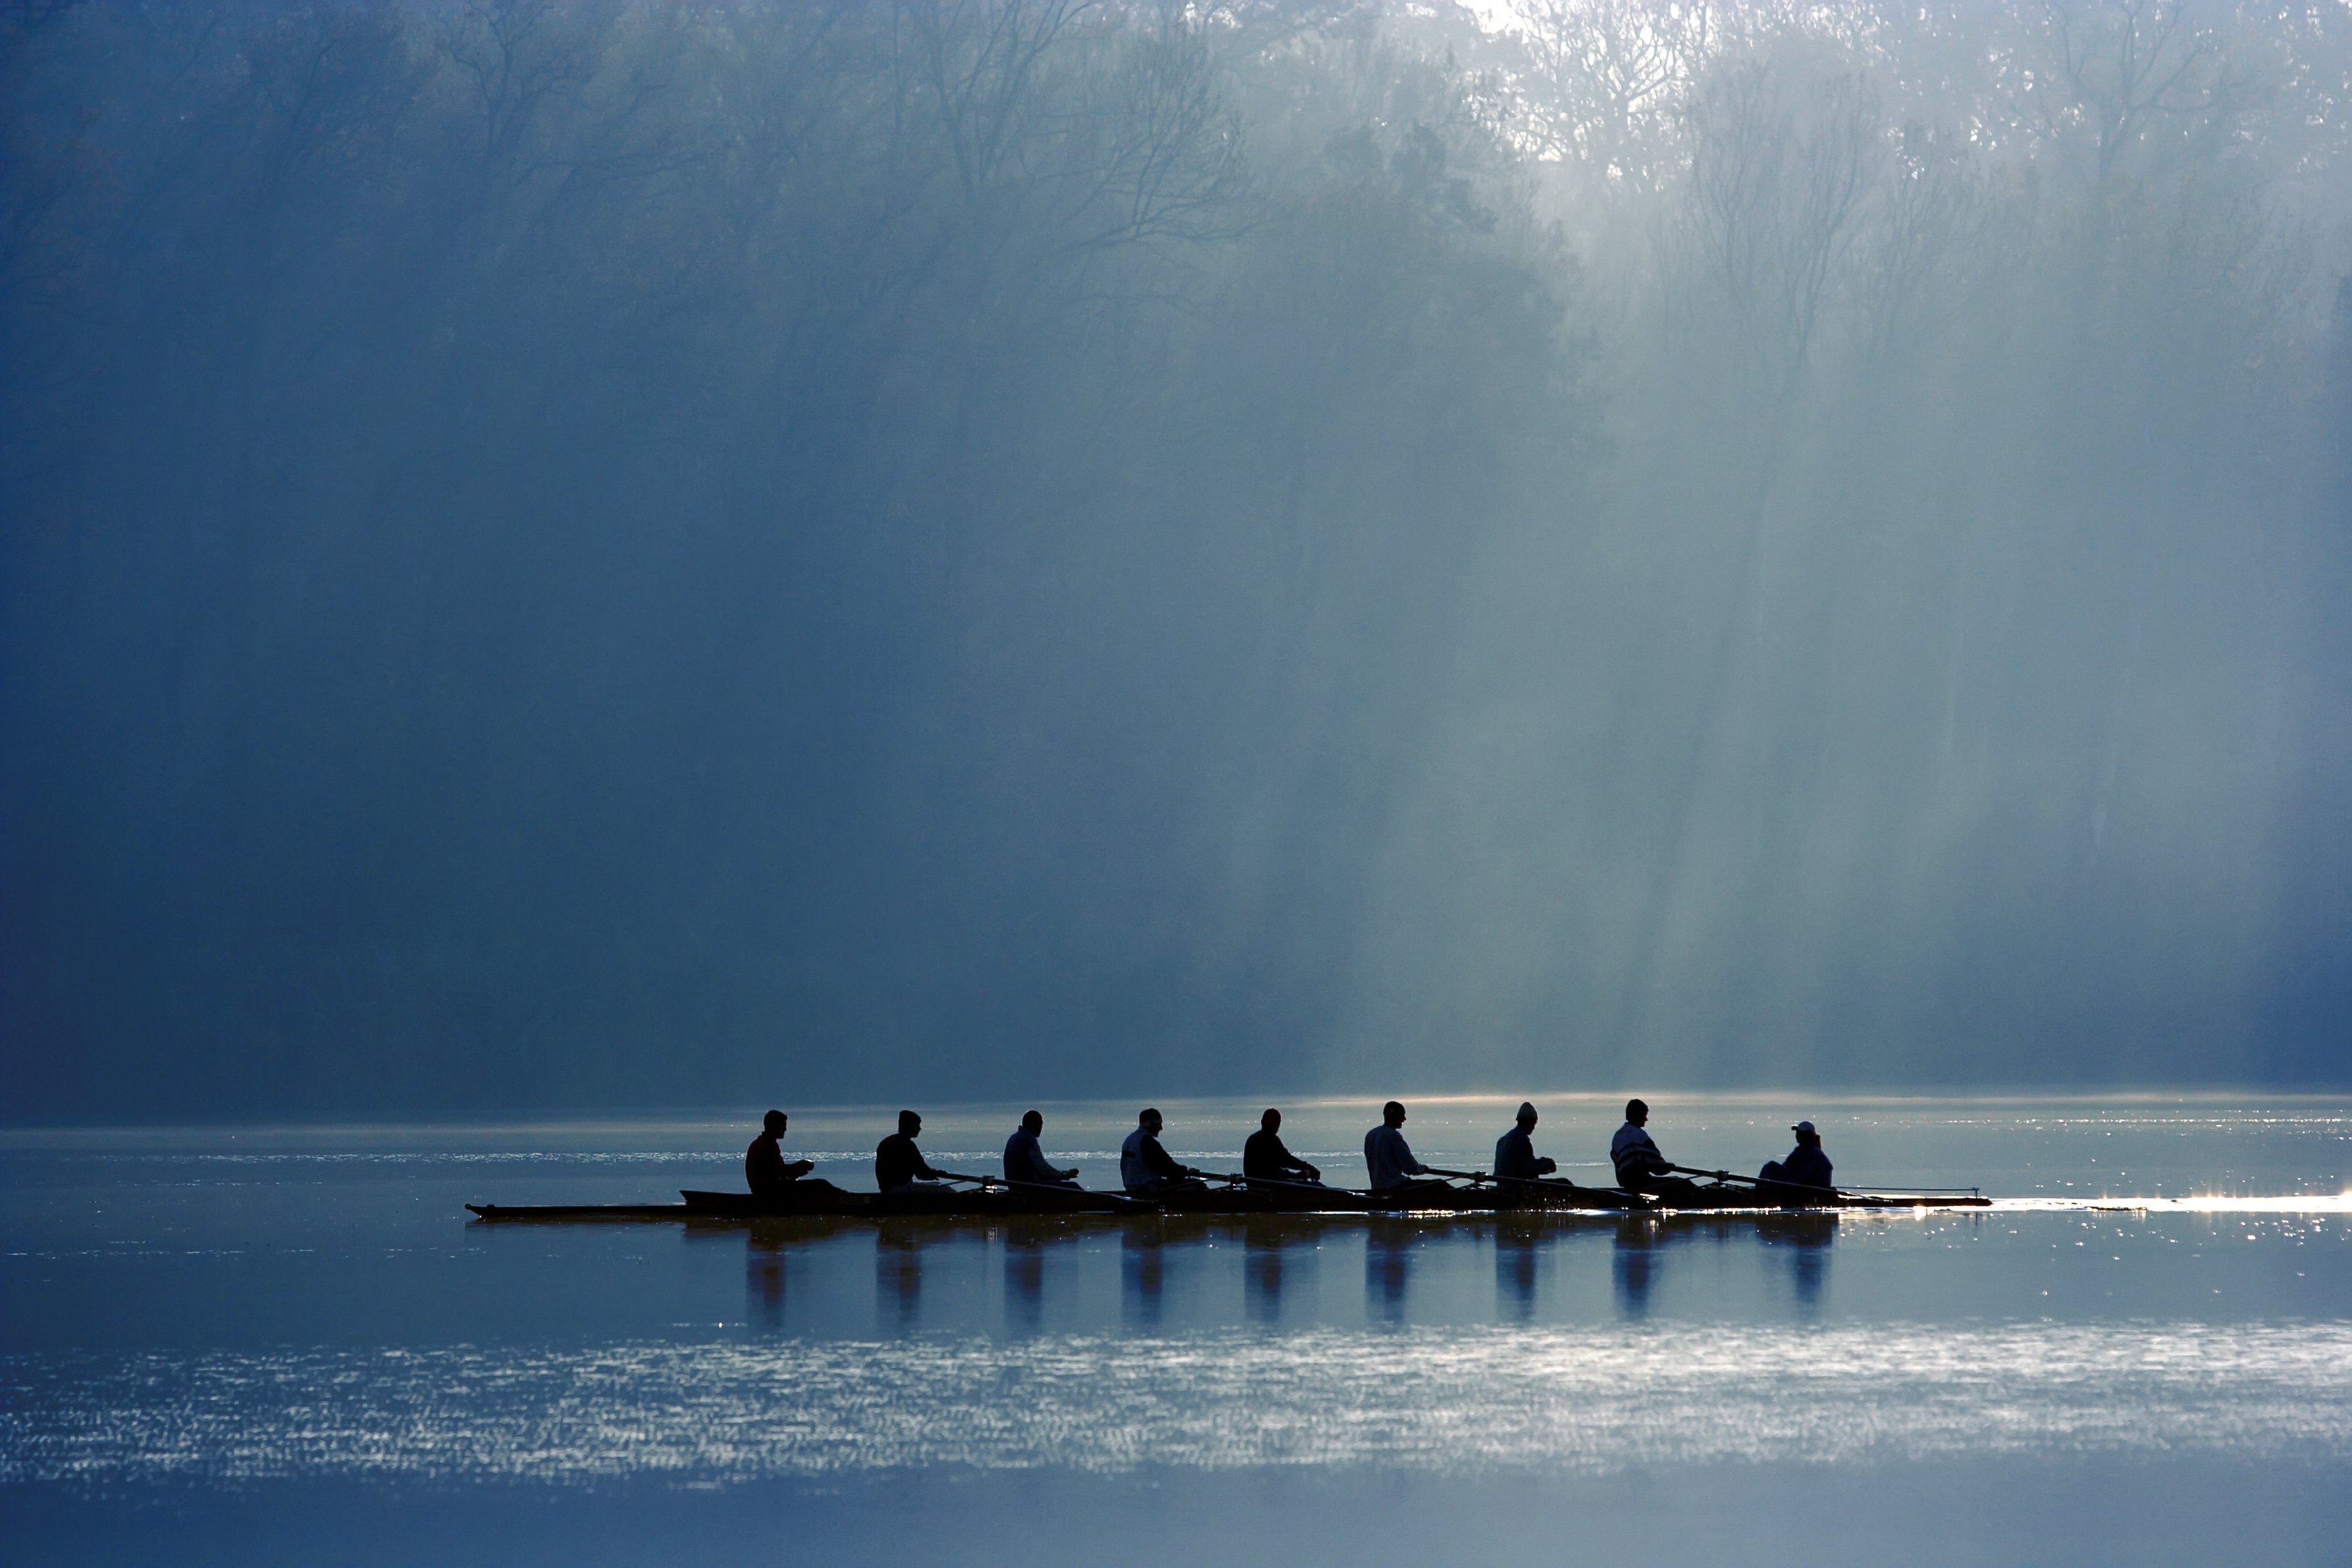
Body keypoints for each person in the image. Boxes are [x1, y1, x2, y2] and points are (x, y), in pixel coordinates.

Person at [1364, 1100, 1446, 1198]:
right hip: (1395, 1186)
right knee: (1440, 1184)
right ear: (1394, 1116)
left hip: (1377, 1188)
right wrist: (1422, 1169)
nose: (1404, 1119)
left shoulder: (1371, 1134)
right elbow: (1410, 1168)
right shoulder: (1393, 1135)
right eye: (1402, 1115)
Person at [1120, 1108, 1207, 1197]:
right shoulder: (1148, 1142)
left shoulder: (1130, 1139)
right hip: (1148, 1189)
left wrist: (1181, 1173)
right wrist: (1185, 1172)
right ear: (1152, 1124)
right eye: (1159, 1124)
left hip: (1132, 1188)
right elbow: (1167, 1168)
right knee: (1197, 1185)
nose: (1161, 1128)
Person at [1610, 1098, 1678, 1194]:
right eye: (1645, 1115)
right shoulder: (1639, 1134)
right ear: (1638, 1115)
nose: (1646, 1119)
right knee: (1681, 1183)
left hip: (1627, 1184)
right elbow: (1657, 1167)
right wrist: (1666, 1166)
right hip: (1642, 1183)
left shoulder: (1618, 1135)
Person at [875, 1109, 948, 1193]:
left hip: (887, 1190)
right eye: (917, 1125)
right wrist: (936, 1173)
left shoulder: (887, 1142)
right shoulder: (907, 1145)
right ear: (909, 1126)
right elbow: (922, 1173)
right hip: (900, 1190)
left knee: (937, 1185)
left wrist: (933, 1173)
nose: (920, 1129)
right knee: (945, 1190)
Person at [746, 1109, 815, 1196]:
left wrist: (795, 1173)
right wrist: (799, 1165)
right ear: (773, 1126)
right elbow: (780, 1172)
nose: (785, 1129)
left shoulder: (760, 1143)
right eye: (783, 1125)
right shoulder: (767, 1145)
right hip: (769, 1192)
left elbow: (775, 1172)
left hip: (763, 1189)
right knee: (820, 1185)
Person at [1243, 1108, 1321, 1186]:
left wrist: (1303, 1170)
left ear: (1262, 1122)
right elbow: (1282, 1163)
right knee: (1318, 1187)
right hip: (1270, 1188)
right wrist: (1300, 1173)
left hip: (1259, 1186)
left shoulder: (1253, 1139)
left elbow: (1284, 1161)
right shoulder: (1269, 1141)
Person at [1004, 1109, 1080, 1188]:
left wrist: (1062, 1174)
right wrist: (1062, 1176)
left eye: (1041, 1124)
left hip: (1014, 1186)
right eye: (1037, 1124)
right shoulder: (1028, 1139)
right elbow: (1041, 1167)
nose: (1040, 1127)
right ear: (1030, 1124)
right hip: (1029, 1188)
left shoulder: (1013, 1138)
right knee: (1074, 1187)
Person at [1760, 1120, 1835, 1191]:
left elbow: (1804, 1177)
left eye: (1800, 1133)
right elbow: (1786, 1167)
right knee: (1768, 1167)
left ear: (1808, 1135)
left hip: (1807, 1188)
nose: (1797, 1135)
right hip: (1799, 1183)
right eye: (1797, 1133)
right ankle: (1761, 1190)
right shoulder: (1801, 1150)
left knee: (1771, 1166)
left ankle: (1763, 1192)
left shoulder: (1812, 1153)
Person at [1493, 1102, 1558, 1181]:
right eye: (1534, 1123)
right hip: (1516, 1187)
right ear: (1528, 1122)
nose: (1534, 1127)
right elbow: (1530, 1168)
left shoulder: (1502, 1141)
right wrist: (1547, 1164)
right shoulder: (1521, 1140)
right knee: (1565, 1183)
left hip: (1503, 1186)